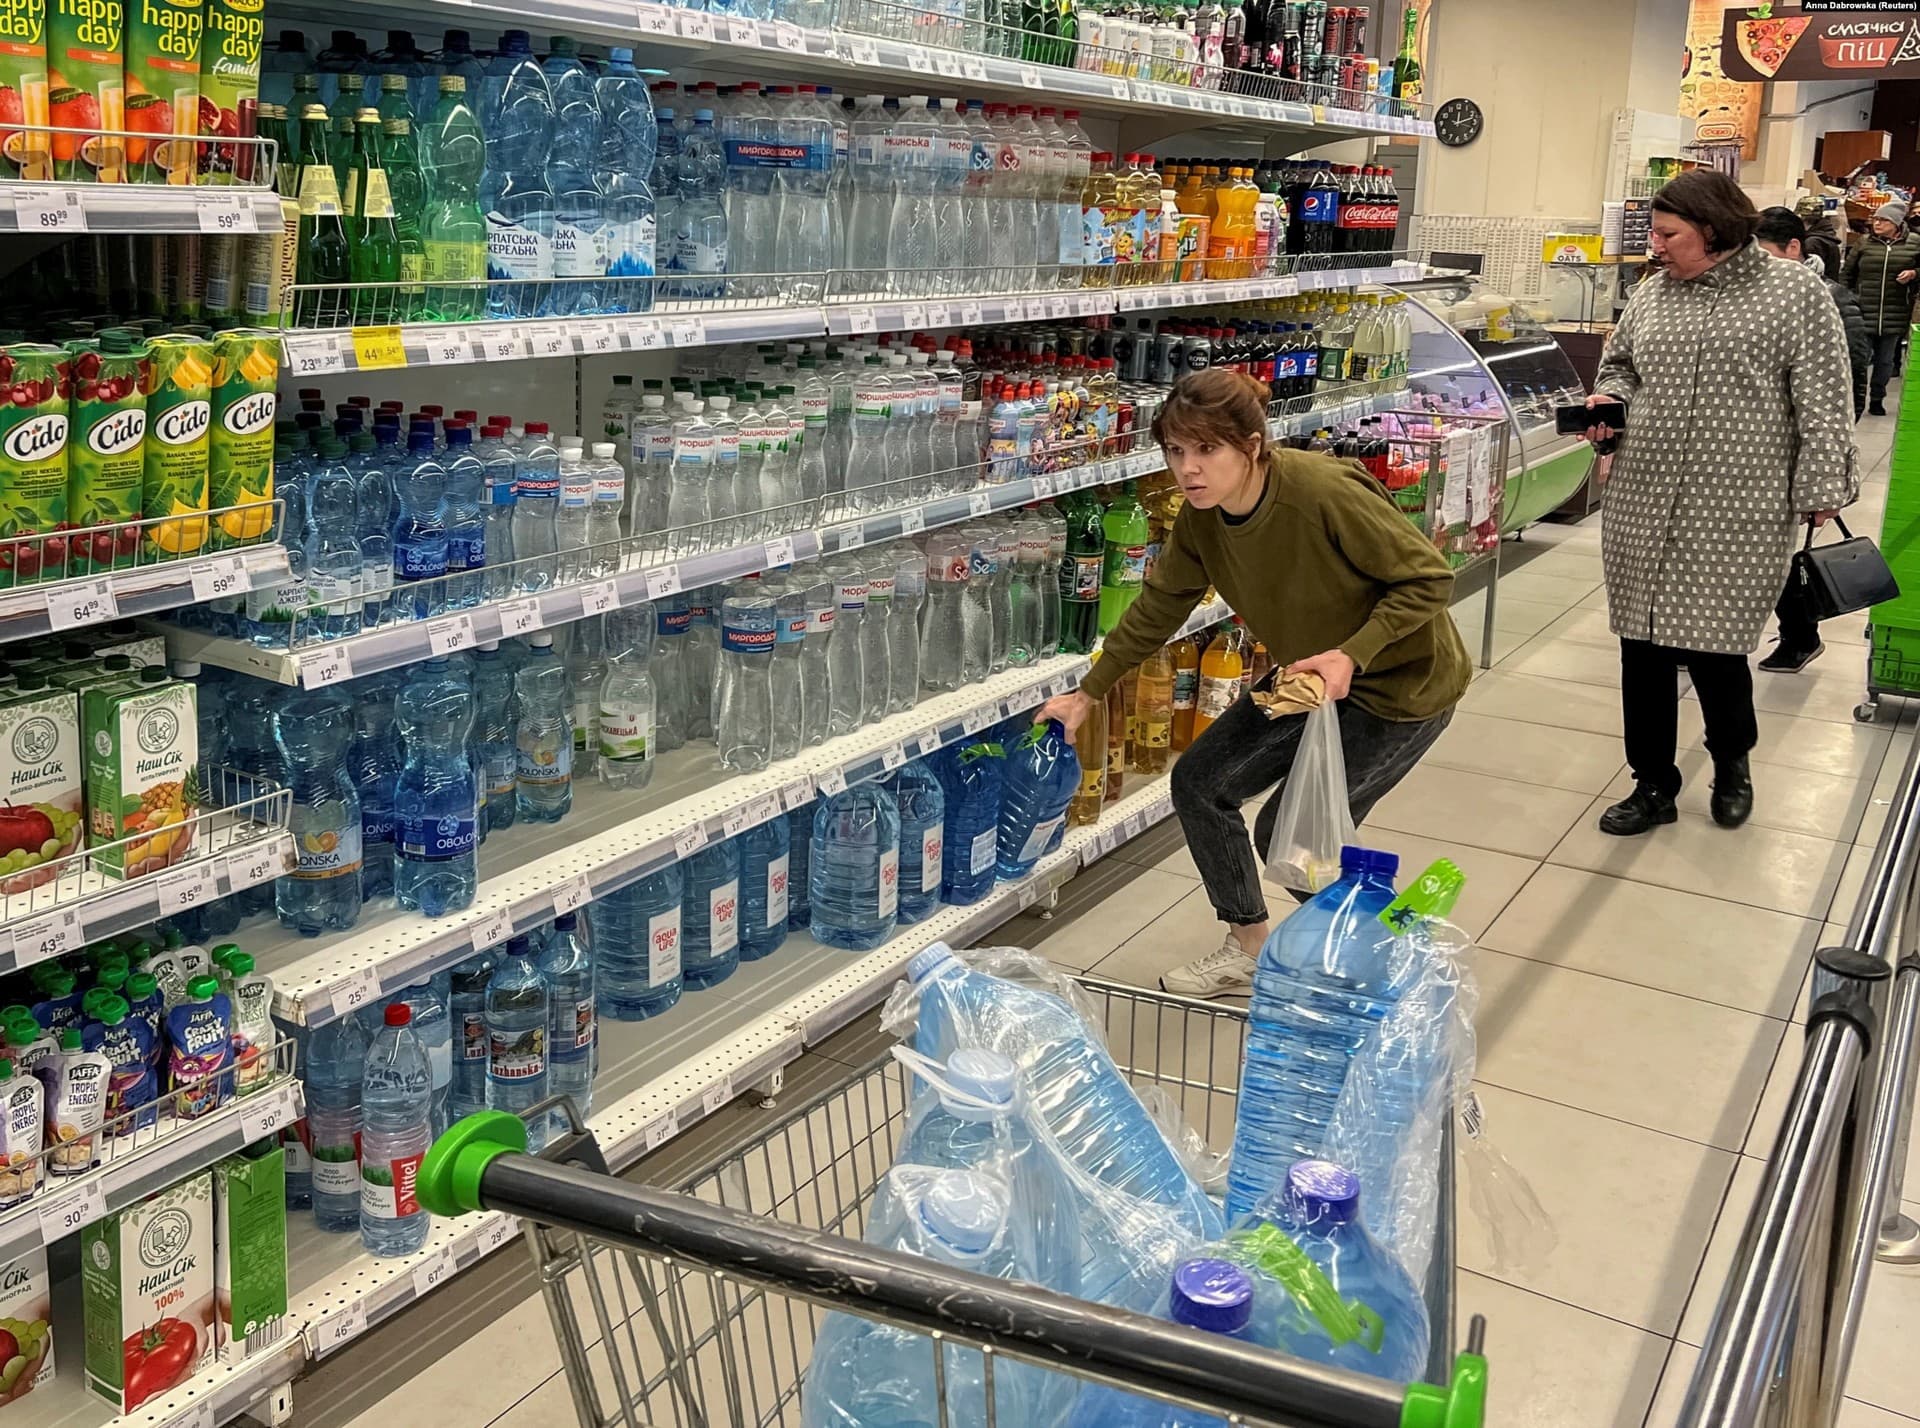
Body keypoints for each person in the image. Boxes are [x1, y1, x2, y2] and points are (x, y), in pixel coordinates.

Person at [1035, 369, 1470, 998]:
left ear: (1252, 445)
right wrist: (1089, 691)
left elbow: (1429, 579)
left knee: (1294, 838)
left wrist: (1355, 652)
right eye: (1176, 451)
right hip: (1307, 681)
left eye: (1208, 450)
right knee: (1200, 782)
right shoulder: (1202, 519)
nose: (1189, 469)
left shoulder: (1321, 492)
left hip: (1404, 690)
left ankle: (1395, 952)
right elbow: (1159, 606)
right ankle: (1250, 945)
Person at [1584, 170, 1858, 837]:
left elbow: (1823, 395)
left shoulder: (1793, 292)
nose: (1656, 246)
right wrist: (1607, 405)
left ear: (1711, 230)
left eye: (1667, 234)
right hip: (1644, 497)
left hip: (1739, 503)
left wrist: (1823, 486)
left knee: (1714, 646)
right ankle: (1652, 783)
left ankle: (1732, 763)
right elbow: (1620, 367)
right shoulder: (1651, 294)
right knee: (1641, 647)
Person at [1754, 210, 1869, 672]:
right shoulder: (1756, 299)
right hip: (1759, 452)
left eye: (1764, 255)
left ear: (1793, 249)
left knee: (1789, 556)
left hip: (1804, 451)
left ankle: (1801, 635)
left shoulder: (1828, 299)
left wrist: (1829, 458)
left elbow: (1848, 378)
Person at [1842, 198, 1920, 415]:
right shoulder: (1864, 243)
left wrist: (1914, 274)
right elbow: (1848, 272)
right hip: (1863, 308)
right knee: (1859, 359)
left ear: (1895, 223)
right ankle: (1855, 399)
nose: (1877, 224)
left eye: (1883, 220)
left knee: (1885, 361)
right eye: (1876, 219)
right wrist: (1847, 298)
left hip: (1895, 310)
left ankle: (1877, 398)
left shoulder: (1914, 243)